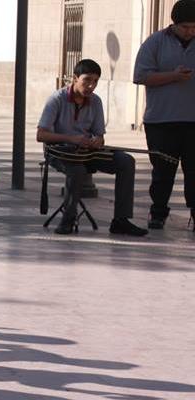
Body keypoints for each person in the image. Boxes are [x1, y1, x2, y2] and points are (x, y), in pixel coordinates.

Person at [36, 59, 148, 236]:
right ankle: (68, 219)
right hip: (61, 153)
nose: (91, 85)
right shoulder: (57, 99)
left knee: (126, 161)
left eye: (95, 81)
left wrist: (97, 141)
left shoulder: (96, 102)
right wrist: (72, 139)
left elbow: (99, 135)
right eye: (87, 80)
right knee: (77, 170)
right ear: (75, 78)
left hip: (88, 152)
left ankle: (121, 220)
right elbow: (41, 135)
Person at [133, 0, 195, 230]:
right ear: (174, 24)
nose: (190, 31)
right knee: (162, 172)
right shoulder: (155, 42)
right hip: (162, 121)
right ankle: (158, 212)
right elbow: (140, 76)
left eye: (194, 27)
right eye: (186, 27)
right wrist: (173, 76)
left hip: (193, 121)